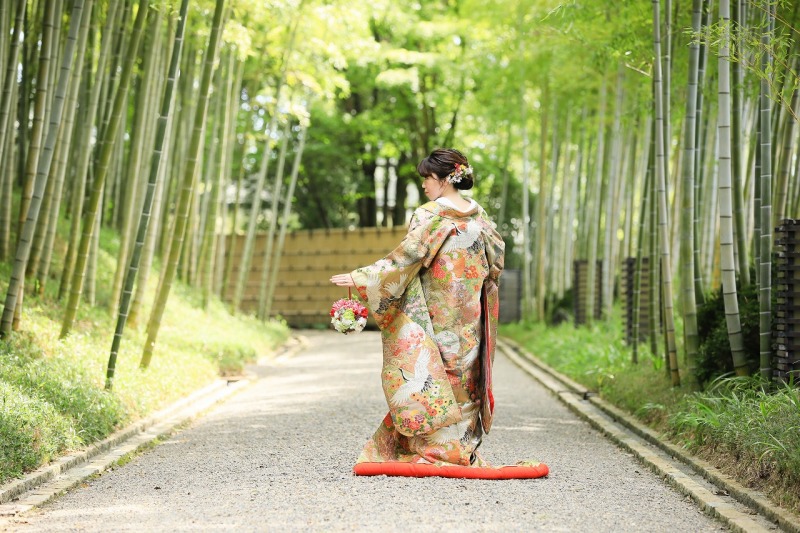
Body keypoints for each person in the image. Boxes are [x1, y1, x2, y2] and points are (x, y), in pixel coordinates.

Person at [330, 148, 506, 470]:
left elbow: (406, 259)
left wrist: (361, 277)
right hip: (469, 309)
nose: (424, 185)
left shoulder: (430, 215)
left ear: (443, 179)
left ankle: (437, 448)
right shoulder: (480, 218)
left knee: (436, 372)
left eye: (427, 178)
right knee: (466, 372)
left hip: (436, 310)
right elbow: (496, 260)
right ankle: (462, 449)